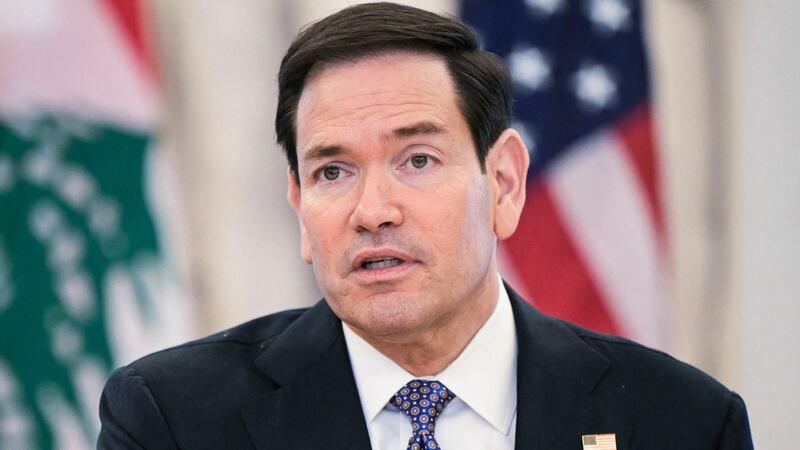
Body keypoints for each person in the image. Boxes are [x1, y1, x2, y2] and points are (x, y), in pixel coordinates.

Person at [97, 3, 753, 449]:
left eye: (417, 160)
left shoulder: (681, 423)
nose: (372, 209)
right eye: (332, 172)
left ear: (503, 184)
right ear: (298, 204)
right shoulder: (174, 422)